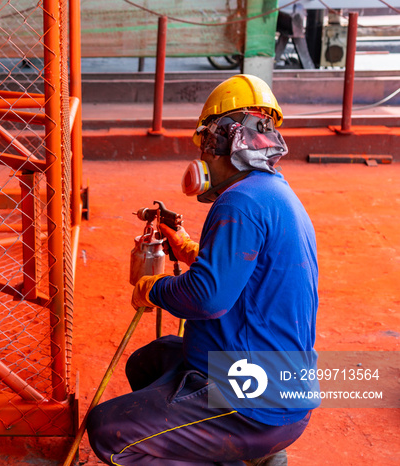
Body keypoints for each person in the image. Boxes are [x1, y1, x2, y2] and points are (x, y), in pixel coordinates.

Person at [86, 74, 319, 466]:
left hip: (254, 402)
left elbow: (208, 297)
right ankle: (245, 452)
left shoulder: (238, 203)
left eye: (206, 146)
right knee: (150, 361)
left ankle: (241, 450)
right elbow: (248, 273)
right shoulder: (274, 194)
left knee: (110, 433)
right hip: (278, 384)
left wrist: (154, 287)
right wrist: (189, 248)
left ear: (222, 141)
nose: (204, 158)